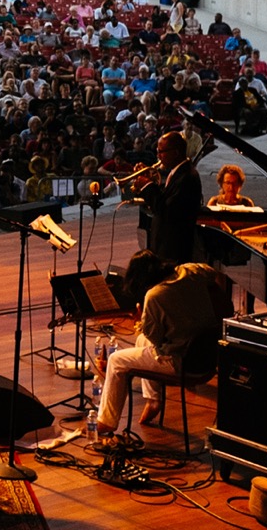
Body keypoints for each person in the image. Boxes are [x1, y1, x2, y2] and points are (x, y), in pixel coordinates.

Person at [94, 251, 229, 439]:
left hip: (182, 362)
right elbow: (211, 273)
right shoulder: (190, 271)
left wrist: (139, 320)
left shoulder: (155, 295)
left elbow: (156, 340)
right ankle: (153, 400)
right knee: (142, 343)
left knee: (117, 360)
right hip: (207, 356)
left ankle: (106, 422)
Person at [130, 130, 201, 266]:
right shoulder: (177, 172)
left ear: (175, 152)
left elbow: (166, 210)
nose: (158, 156)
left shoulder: (187, 177)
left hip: (173, 250)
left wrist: (148, 186)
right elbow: (165, 197)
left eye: (162, 151)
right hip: (165, 247)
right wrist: (149, 180)